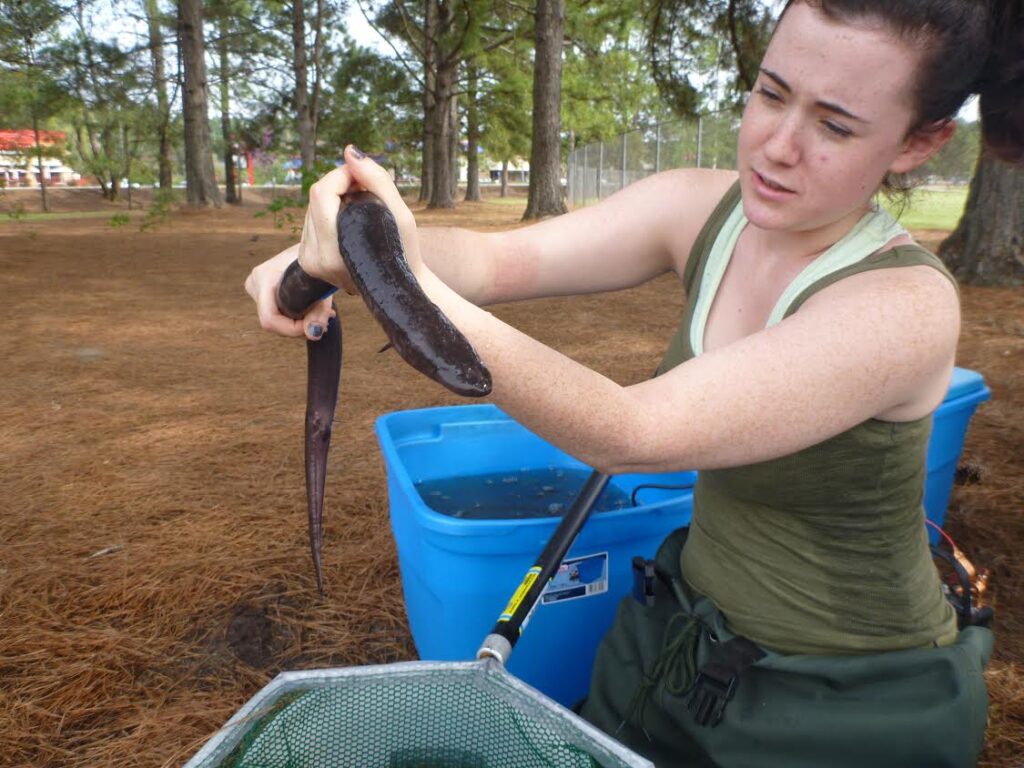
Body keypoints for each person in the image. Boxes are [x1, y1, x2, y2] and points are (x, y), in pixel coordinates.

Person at [245, 0, 1022, 764]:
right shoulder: (701, 207)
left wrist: (385, 277)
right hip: (683, 631)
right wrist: (340, 246)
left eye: (835, 125)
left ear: (920, 143)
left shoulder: (903, 306)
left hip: (844, 701)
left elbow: (632, 432)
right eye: (772, 92)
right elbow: (494, 263)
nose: (777, 147)